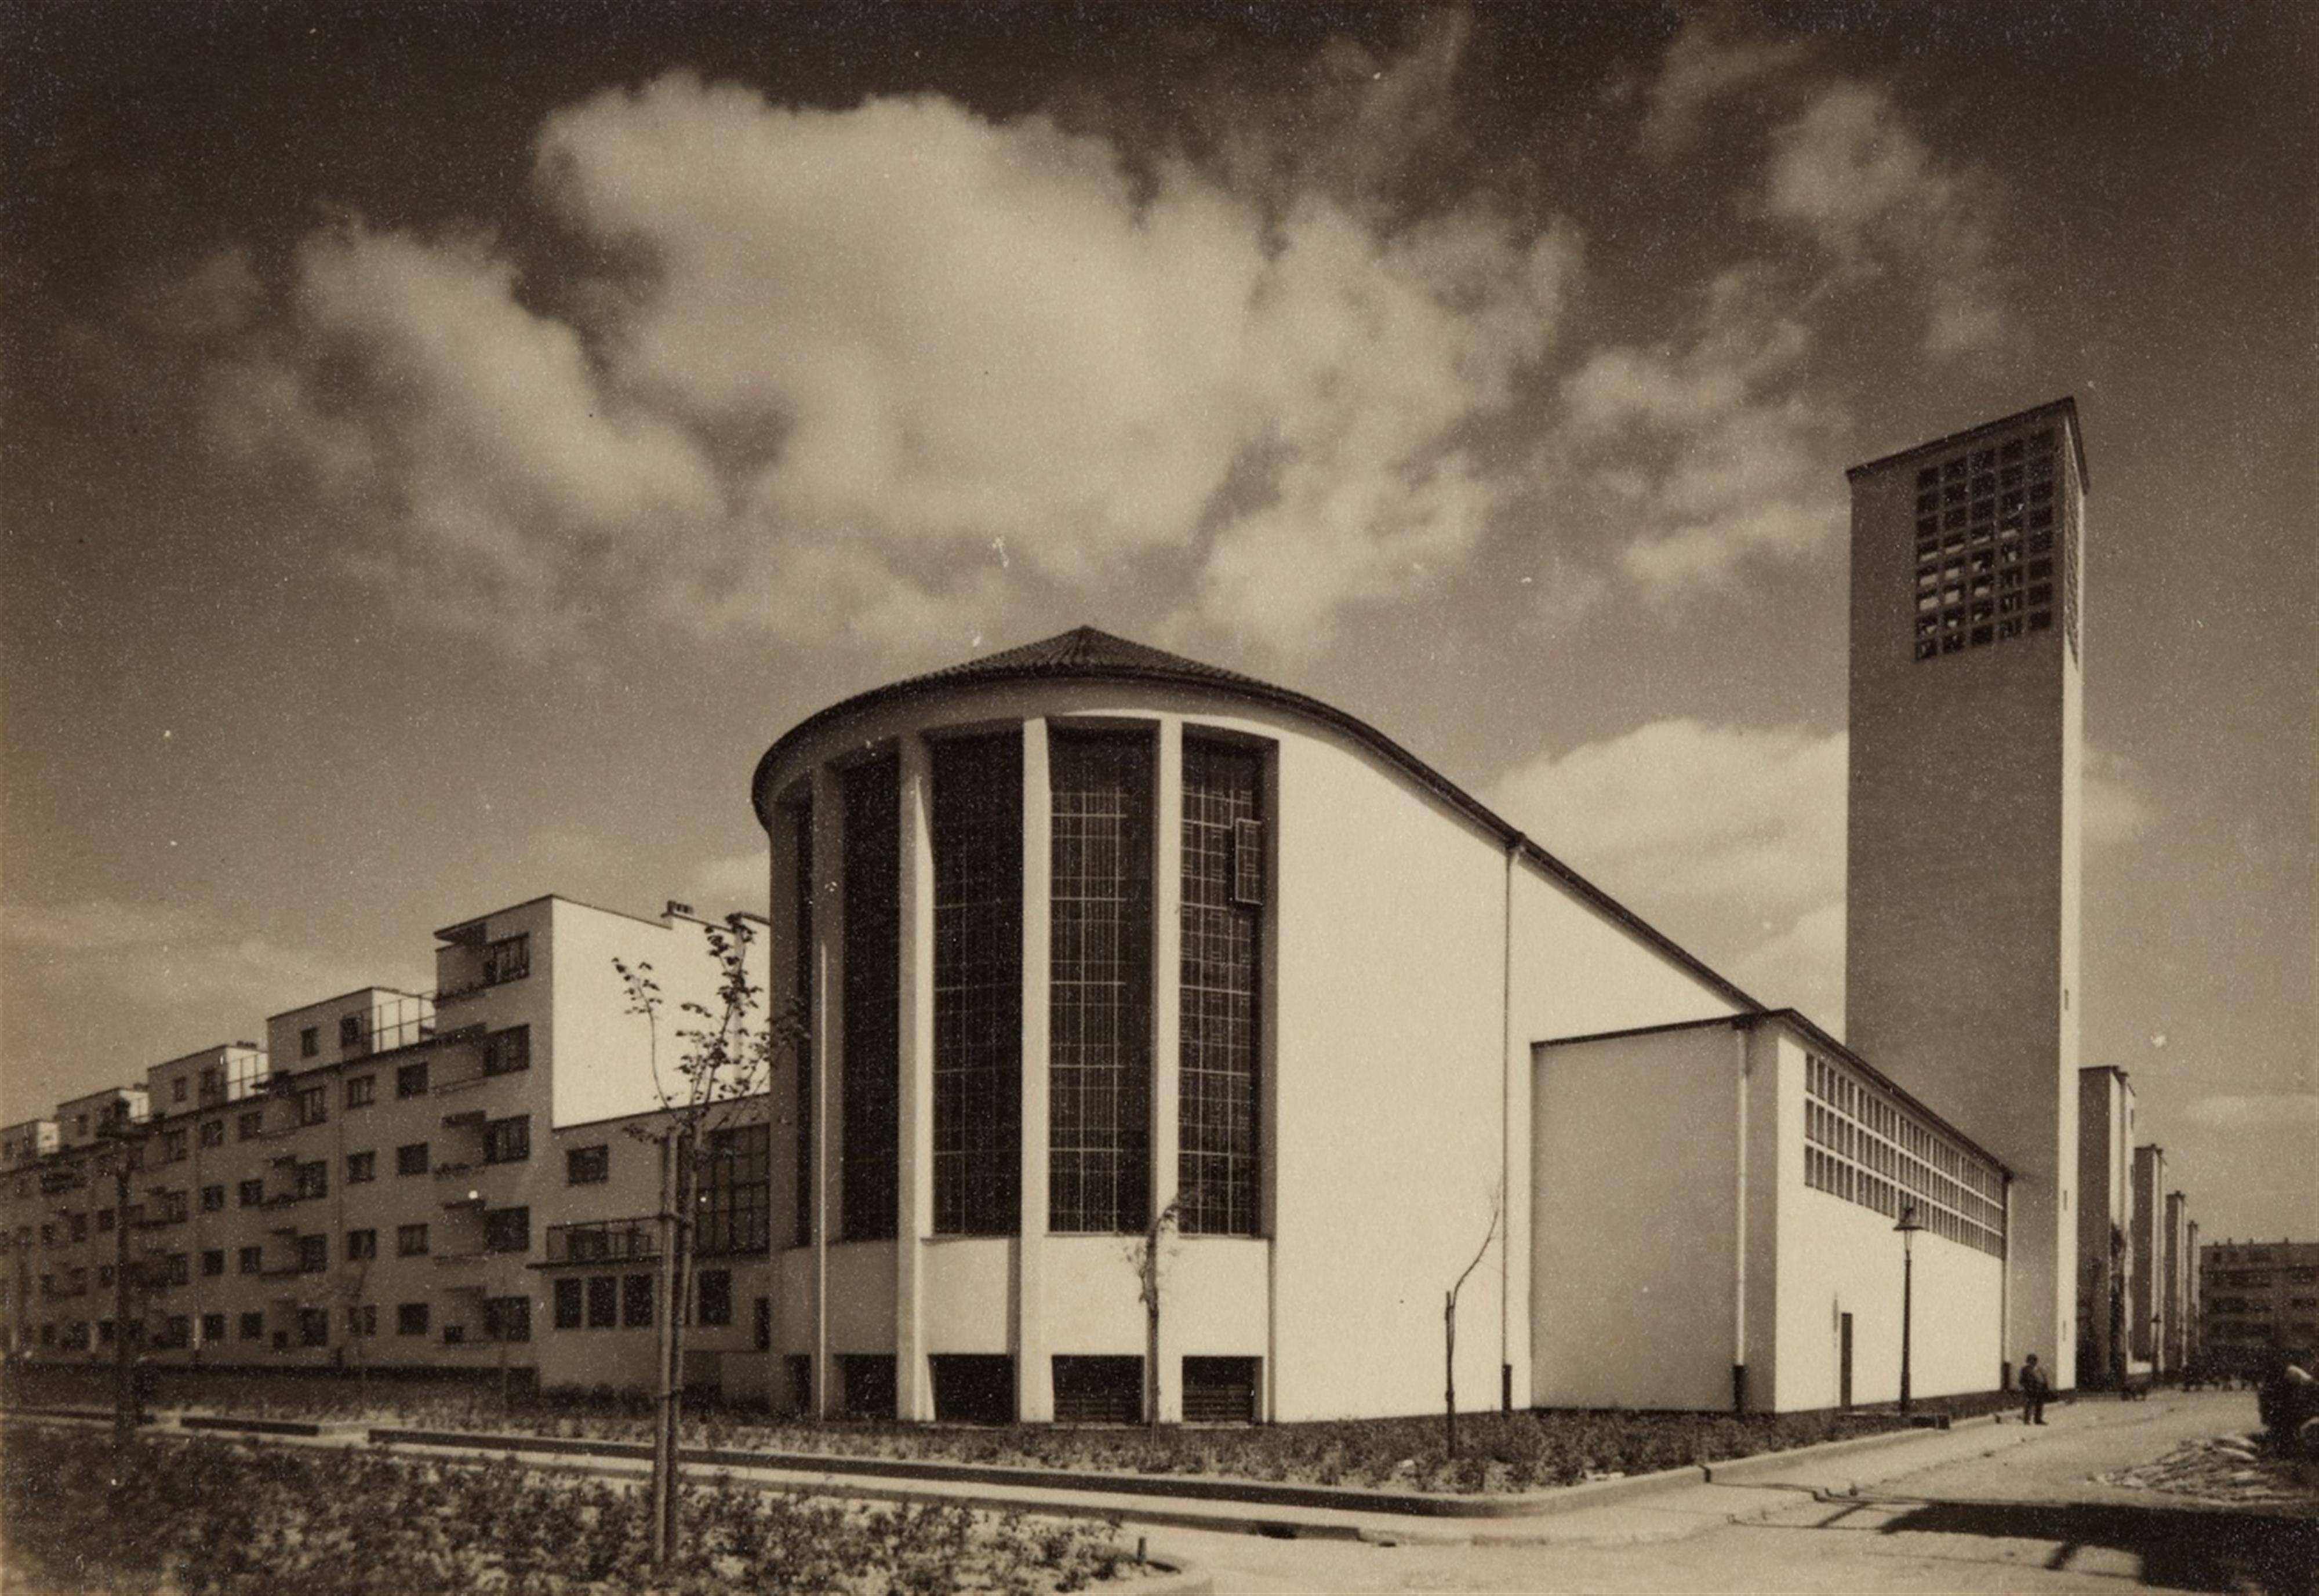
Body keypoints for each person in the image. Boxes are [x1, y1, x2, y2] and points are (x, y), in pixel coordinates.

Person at [2019, 1353, 2051, 1425]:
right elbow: (2022, 1381)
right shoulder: (2025, 1370)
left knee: (2040, 1405)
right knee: (2030, 1404)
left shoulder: (2039, 1369)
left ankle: (2038, 1420)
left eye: (2035, 1360)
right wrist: (2027, 1387)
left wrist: (2046, 1387)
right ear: (2029, 1361)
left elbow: (2044, 1378)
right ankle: (2027, 1420)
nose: (2035, 1362)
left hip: (2041, 1389)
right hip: (2031, 1389)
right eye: (2032, 1360)